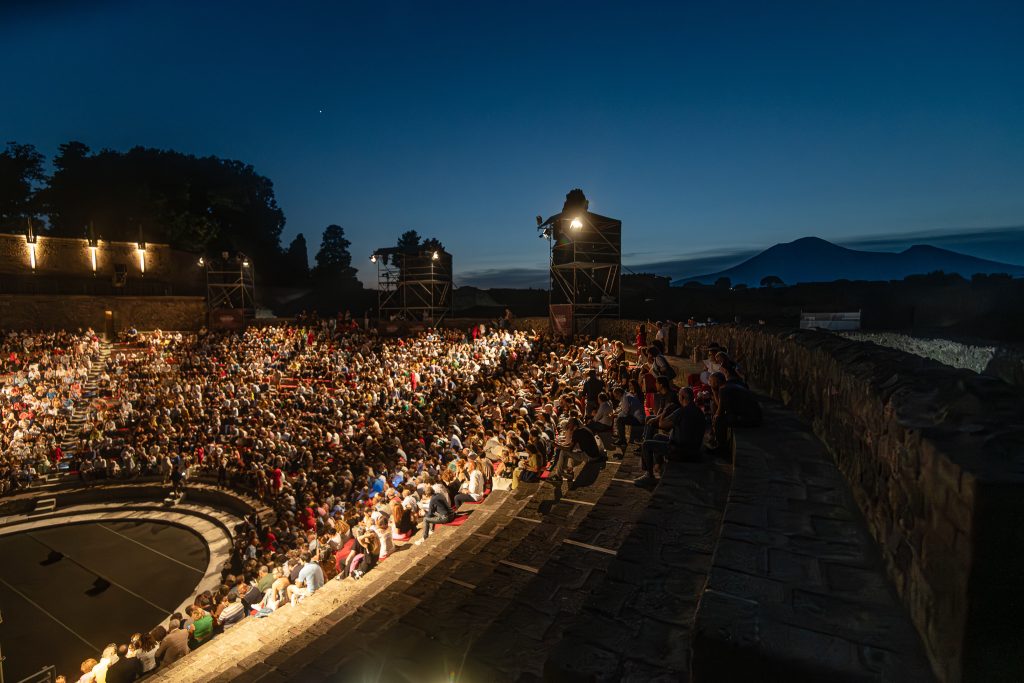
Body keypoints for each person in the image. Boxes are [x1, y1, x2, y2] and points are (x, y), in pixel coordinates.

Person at [708, 372, 762, 450]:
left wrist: (714, 421)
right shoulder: (727, 385)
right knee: (718, 413)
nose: (709, 383)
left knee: (719, 420)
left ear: (717, 382)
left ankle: (720, 446)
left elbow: (720, 412)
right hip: (754, 415)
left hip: (751, 418)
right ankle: (718, 440)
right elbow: (720, 404)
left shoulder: (724, 390)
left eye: (711, 381)